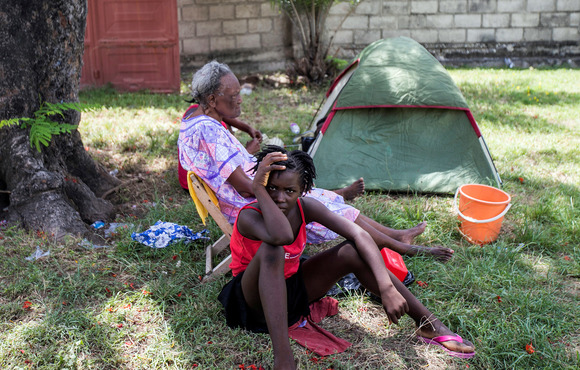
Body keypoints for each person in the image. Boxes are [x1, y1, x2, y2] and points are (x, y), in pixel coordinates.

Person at [218, 146, 475, 369]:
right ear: (262, 184)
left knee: (352, 250)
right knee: (273, 248)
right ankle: (284, 361)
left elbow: (360, 234)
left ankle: (429, 324)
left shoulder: (305, 207)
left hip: (291, 291)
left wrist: (386, 287)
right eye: (272, 188)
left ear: (303, 191)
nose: (280, 198)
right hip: (251, 300)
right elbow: (281, 235)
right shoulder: (249, 215)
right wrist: (257, 190)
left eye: (289, 191)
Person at [178, 60, 454, 261]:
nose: (240, 100)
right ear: (213, 99)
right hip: (249, 206)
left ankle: (396, 235)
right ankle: (401, 246)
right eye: (234, 95)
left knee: (320, 196)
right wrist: (266, 169)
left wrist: (257, 157)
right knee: (326, 207)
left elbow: (228, 168)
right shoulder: (209, 131)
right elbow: (247, 187)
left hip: (243, 198)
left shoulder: (193, 122)